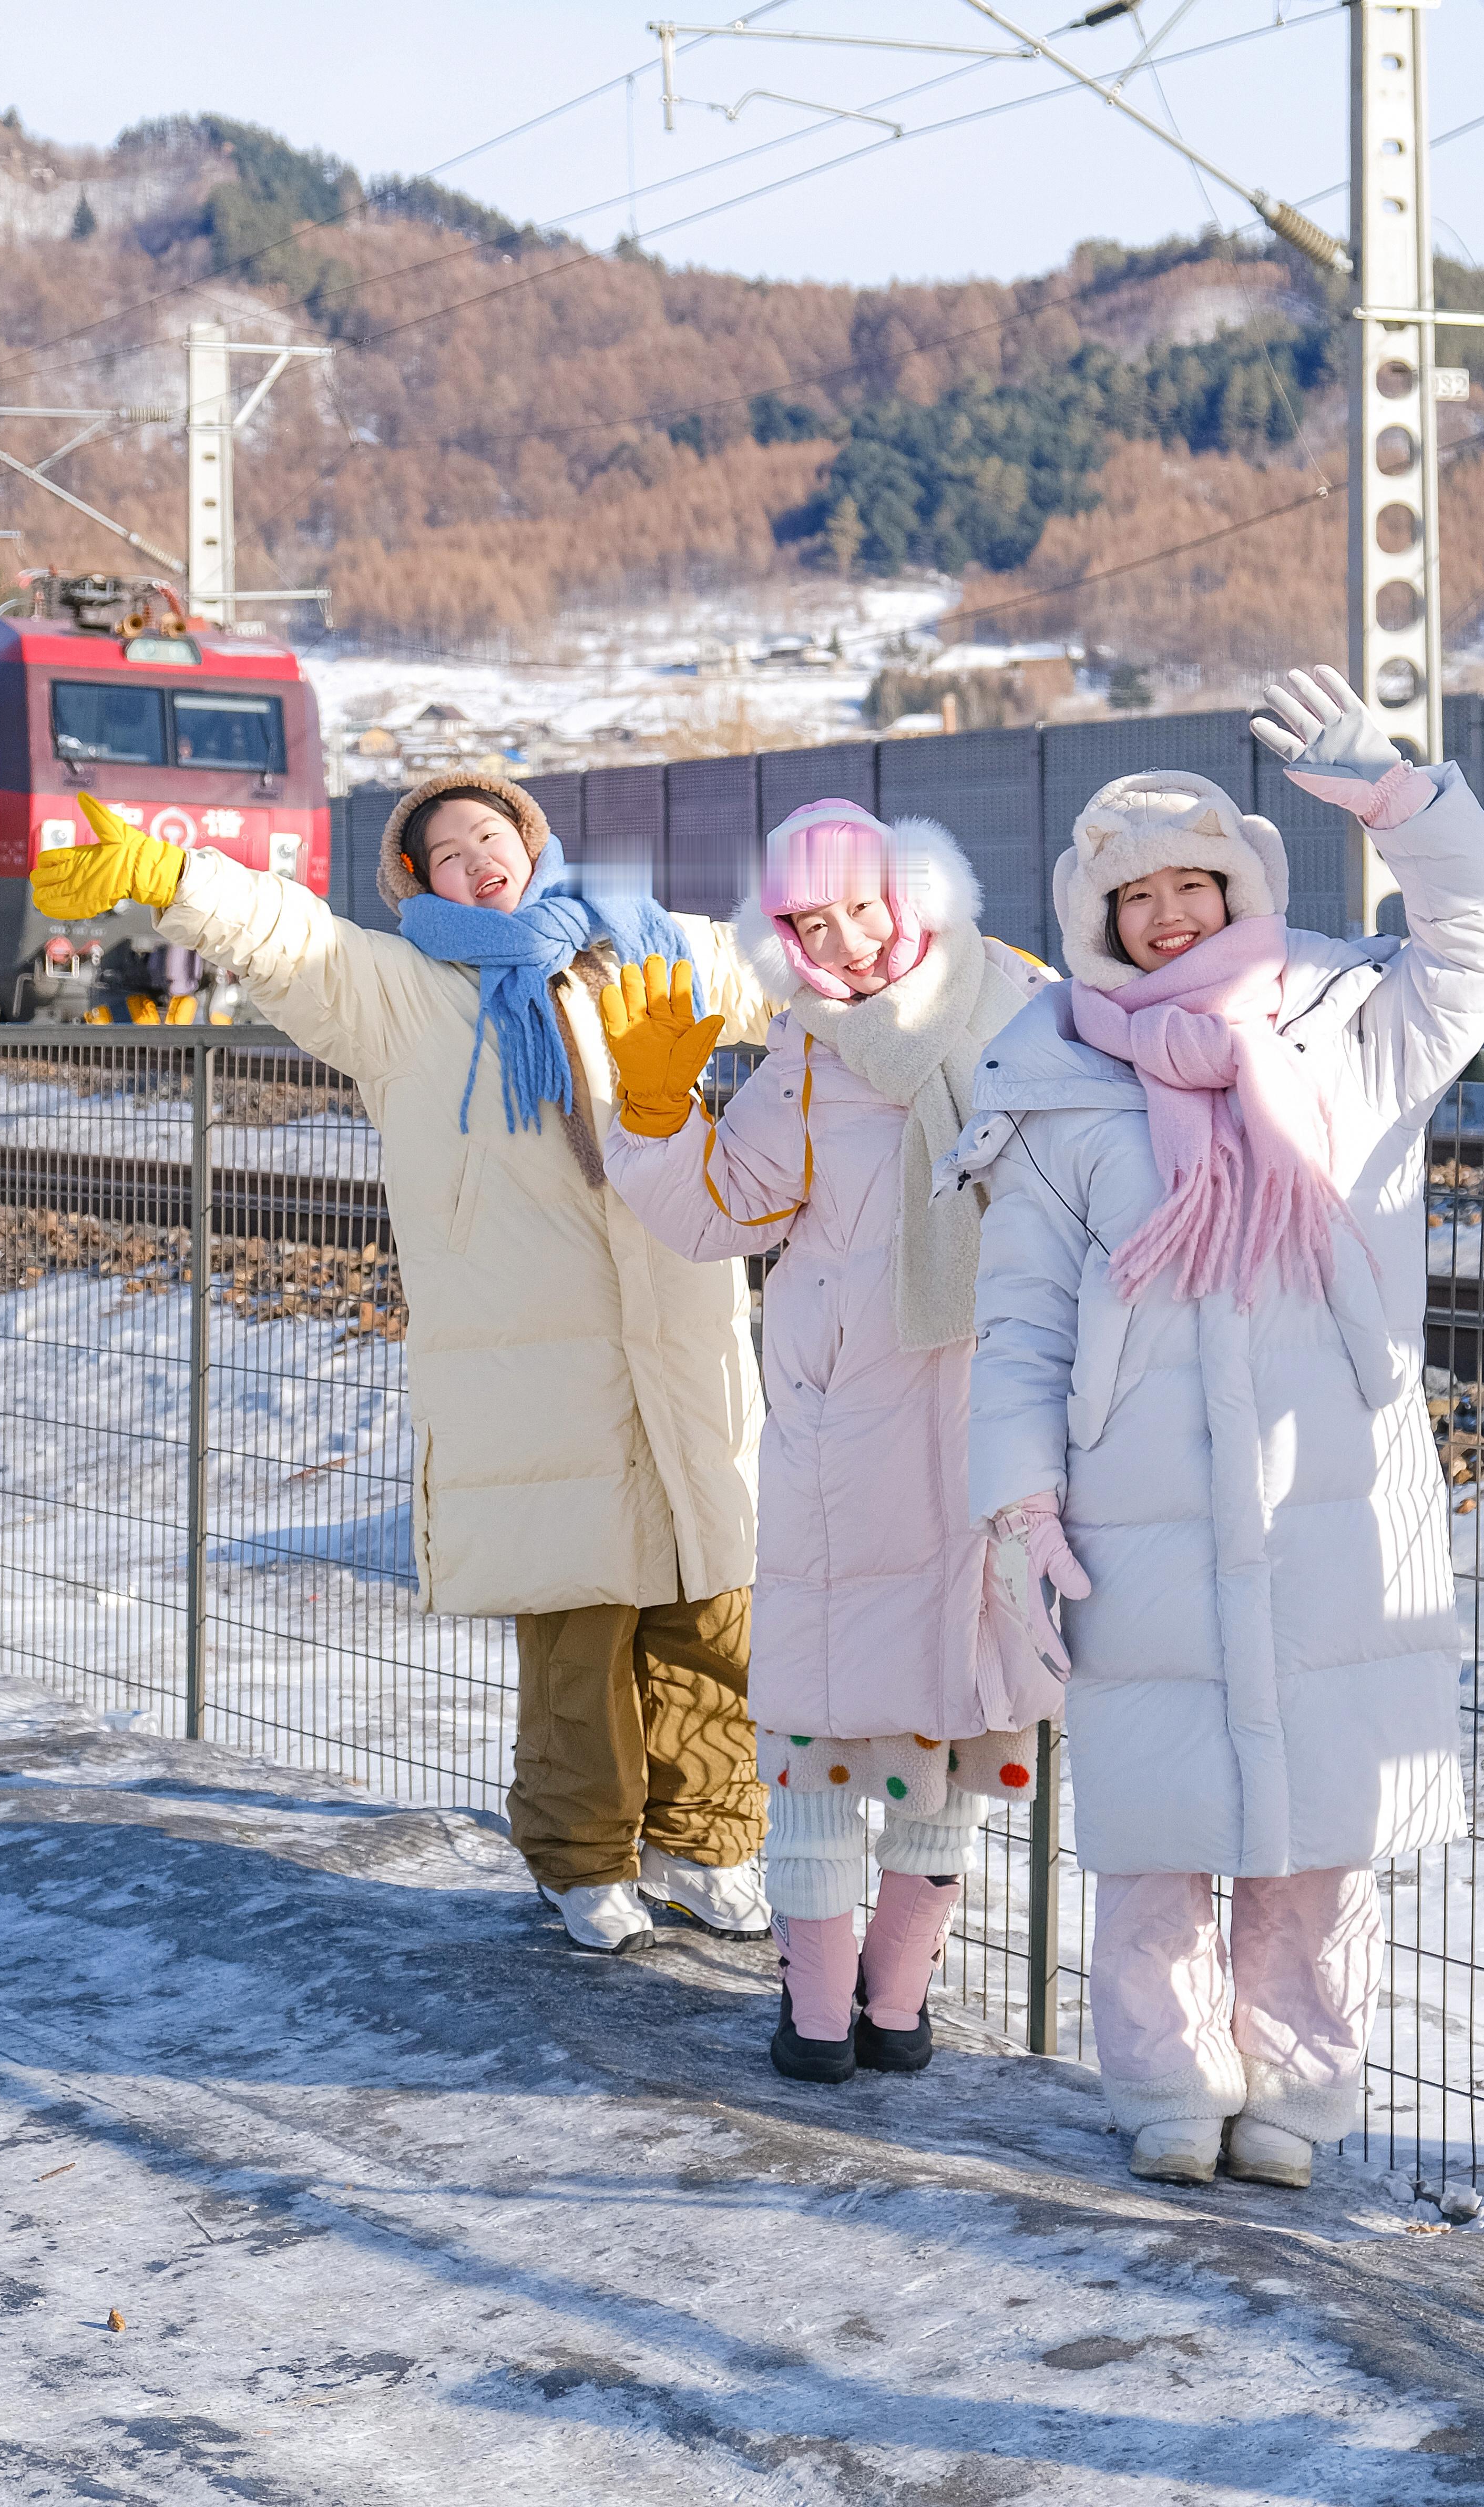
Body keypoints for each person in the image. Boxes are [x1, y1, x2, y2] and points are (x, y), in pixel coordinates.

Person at [31, 771, 775, 1956]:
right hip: (536, 1366)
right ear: (419, 884)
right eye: (448, 854)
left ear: (530, 842)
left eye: (492, 835)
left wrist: (951, 971)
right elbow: (291, 940)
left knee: (709, 1609)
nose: (479, 860)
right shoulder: (400, 995)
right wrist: (175, 878)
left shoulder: (638, 945)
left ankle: (708, 1844)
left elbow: (794, 967)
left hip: (685, 1346)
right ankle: (584, 1861)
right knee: (580, 1625)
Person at [949, 669, 1484, 2188]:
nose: (1166, 917)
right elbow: (1022, 1319)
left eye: (1192, 884)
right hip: (1133, 1510)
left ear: (1243, 886)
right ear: (1095, 918)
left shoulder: (1350, 1026)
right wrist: (1016, 1500)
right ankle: (1162, 2089)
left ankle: (1301, 2099)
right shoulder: (1055, 1072)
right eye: (1134, 897)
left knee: (1318, 1840)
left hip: (1329, 1492)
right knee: (1152, 1840)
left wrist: (1401, 801)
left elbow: (1480, 936)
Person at [593, 798, 1059, 2083]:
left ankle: (896, 2007)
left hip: (997, 1414)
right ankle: (814, 2021)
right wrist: (656, 1111)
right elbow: (724, 1211)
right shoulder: (803, 1047)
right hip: (845, 1432)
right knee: (818, 1733)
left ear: (910, 893)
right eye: (809, 923)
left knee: (957, 1723)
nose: (844, 942)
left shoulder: (1026, 1004)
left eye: (861, 908)